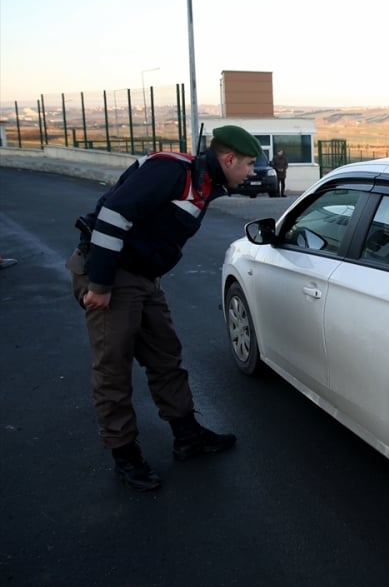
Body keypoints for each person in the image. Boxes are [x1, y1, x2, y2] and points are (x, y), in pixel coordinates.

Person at [66, 125, 262, 491]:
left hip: (142, 279)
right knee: (113, 369)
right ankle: (124, 455)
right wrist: (101, 284)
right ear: (229, 158)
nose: (252, 172)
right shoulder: (172, 171)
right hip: (113, 276)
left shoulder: (204, 183)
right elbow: (112, 213)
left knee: (165, 356)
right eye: (249, 164)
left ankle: (187, 437)